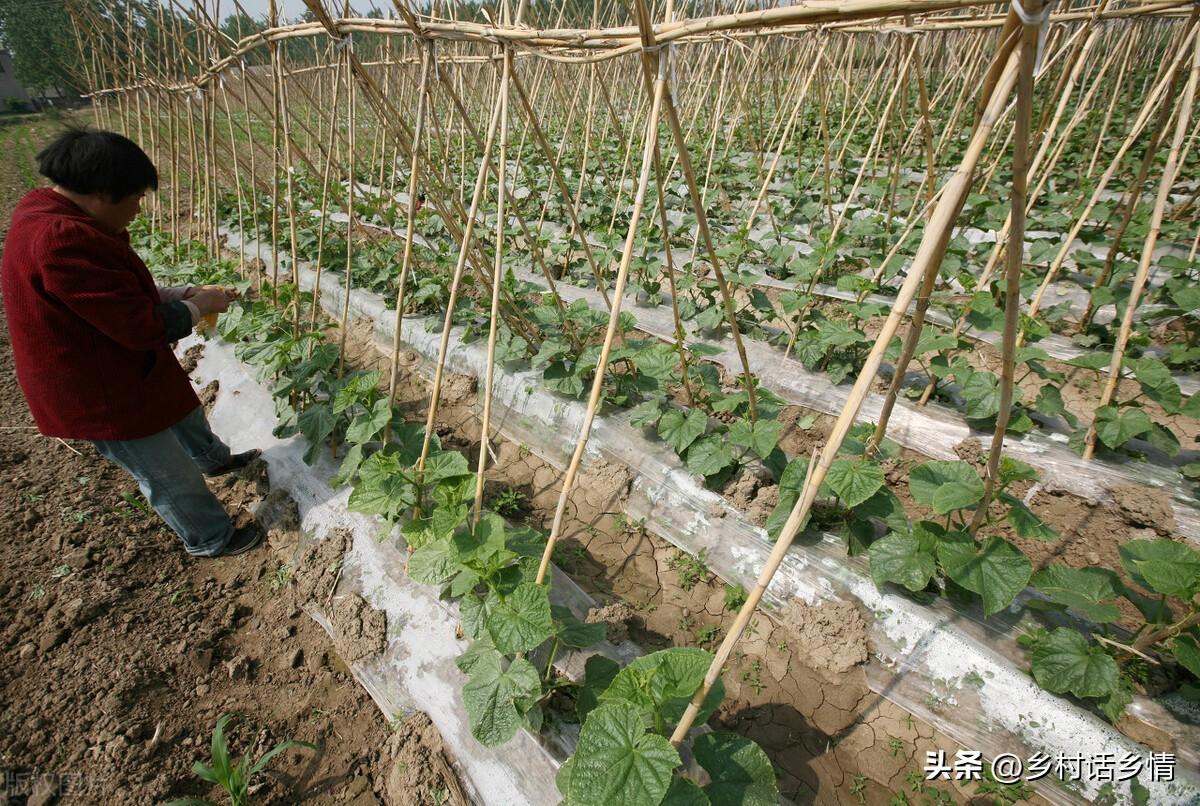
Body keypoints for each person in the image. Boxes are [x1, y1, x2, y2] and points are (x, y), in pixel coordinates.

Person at [2, 127, 263, 558]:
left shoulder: (52, 213)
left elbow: (114, 291)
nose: (140, 209)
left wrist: (181, 294)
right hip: (94, 386)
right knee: (167, 472)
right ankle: (212, 537)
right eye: (137, 197)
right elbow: (138, 326)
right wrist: (200, 307)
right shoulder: (60, 239)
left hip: (116, 360)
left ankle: (214, 460)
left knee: (180, 406)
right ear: (103, 193)